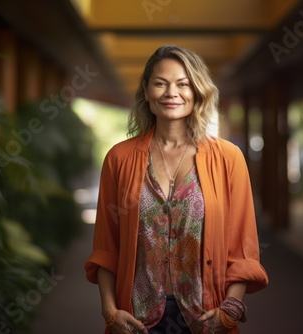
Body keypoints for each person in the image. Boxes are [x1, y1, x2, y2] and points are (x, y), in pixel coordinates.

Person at [84, 45, 268, 334]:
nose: (172, 93)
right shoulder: (119, 158)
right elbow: (107, 246)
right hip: (135, 321)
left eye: (183, 84)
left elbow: (243, 248)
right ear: (146, 91)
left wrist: (229, 310)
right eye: (160, 83)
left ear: (196, 91)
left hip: (207, 318)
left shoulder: (229, 158)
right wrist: (109, 311)